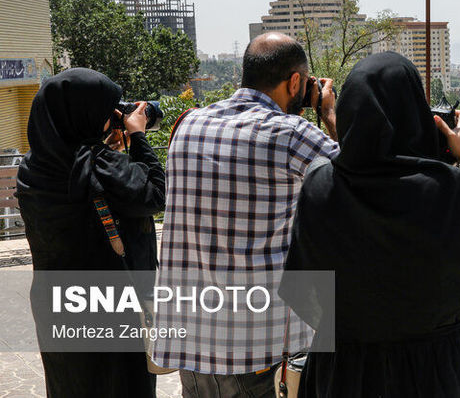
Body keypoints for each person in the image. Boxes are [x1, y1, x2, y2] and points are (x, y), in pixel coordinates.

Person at [280, 52, 460, 398]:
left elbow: (302, 289)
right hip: (436, 371)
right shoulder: (448, 190)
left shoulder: (320, 185)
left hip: (345, 370)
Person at [153, 33, 339, 397]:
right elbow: (362, 181)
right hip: (258, 349)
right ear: (296, 82)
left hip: (191, 344)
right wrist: (330, 114)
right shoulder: (291, 133)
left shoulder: (188, 125)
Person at [16, 67, 165, 398]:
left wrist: (105, 149)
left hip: (55, 303)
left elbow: (84, 179)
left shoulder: (32, 169)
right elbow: (154, 193)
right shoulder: (101, 165)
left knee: (72, 384)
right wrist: (137, 136)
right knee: (122, 386)